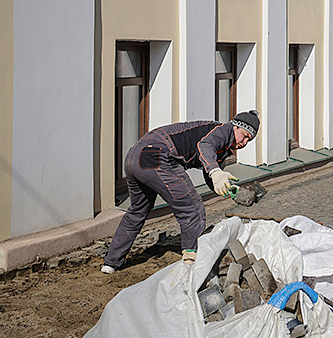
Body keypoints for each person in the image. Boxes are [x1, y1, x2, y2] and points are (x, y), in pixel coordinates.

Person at [101, 110, 260, 274]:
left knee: (137, 210)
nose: (245, 142)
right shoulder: (222, 130)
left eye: (250, 139)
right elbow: (204, 147)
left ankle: (111, 263)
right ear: (235, 126)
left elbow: (209, 171)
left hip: (134, 157)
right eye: (245, 135)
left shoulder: (222, 145)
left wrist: (229, 190)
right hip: (157, 155)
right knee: (192, 208)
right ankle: (192, 265)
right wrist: (215, 171)